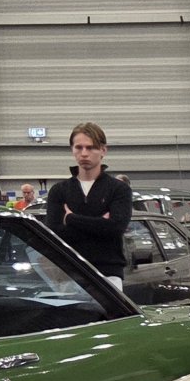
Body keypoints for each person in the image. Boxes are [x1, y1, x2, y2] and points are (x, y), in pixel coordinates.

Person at [45, 122, 132, 284]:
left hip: (108, 273)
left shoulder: (119, 189)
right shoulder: (59, 190)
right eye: (79, 147)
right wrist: (100, 225)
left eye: (90, 147)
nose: (84, 153)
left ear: (103, 150)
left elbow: (116, 228)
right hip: (68, 273)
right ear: (72, 150)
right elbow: (55, 235)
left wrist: (71, 219)